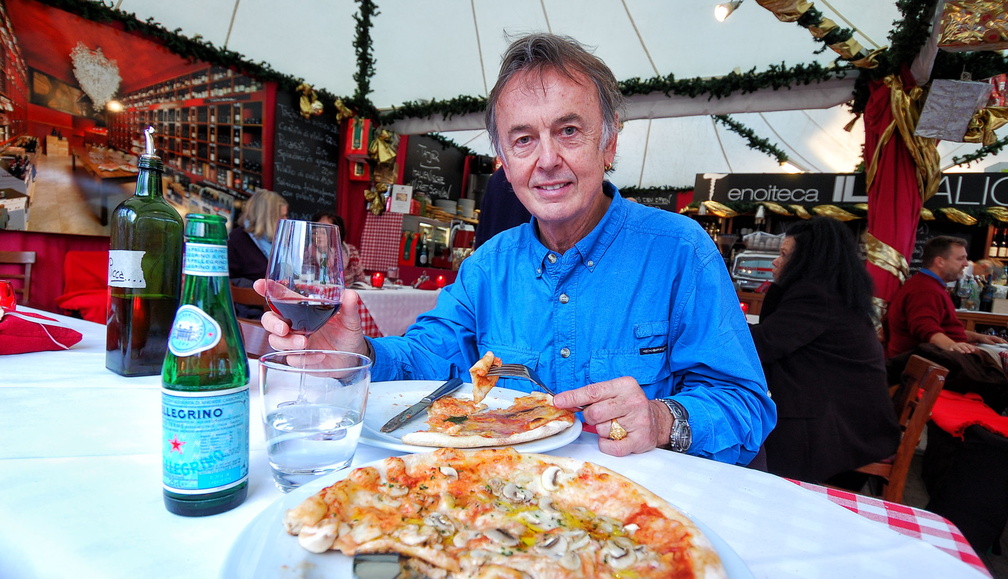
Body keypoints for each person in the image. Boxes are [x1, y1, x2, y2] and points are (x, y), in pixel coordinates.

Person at [257, 33, 775, 464]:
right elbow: (426, 361)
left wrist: (662, 419)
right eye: (523, 139)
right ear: (503, 160)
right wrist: (355, 354)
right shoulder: (487, 266)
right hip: (502, 505)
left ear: (609, 143)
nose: (546, 160)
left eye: (568, 131)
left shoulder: (680, 251)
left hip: (637, 514)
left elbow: (747, 405)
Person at [749, 217, 900, 484]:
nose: (775, 262)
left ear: (808, 260)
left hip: (840, 430)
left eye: (784, 255)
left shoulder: (816, 296)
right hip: (854, 419)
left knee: (745, 434)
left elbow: (763, 345)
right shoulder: (833, 291)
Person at [885, 236, 1007, 358]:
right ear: (940, 262)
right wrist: (952, 346)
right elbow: (925, 327)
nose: (966, 264)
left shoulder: (928, 285)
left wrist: (978, 337)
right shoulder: (925, 290)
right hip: (923, 362)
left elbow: (943, 330)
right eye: (960, 259)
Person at [228, 189, 288, 285]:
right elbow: (228, 281)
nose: (286, 220)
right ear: (266, 218)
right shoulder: (236, 241)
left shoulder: (278, 239)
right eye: (281, 216)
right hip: (255, 294)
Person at [473, 165, 531, 249]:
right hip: (525, 251)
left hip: (493, 251)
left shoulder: (495, 178)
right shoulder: (533, 177)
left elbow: (481, 234)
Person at [314, 211, 365, 285]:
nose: (319, 235)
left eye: (325, 230)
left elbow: (361, 282)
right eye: (316, 231)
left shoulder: (351, 252)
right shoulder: (307, 253)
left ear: (338, 232)